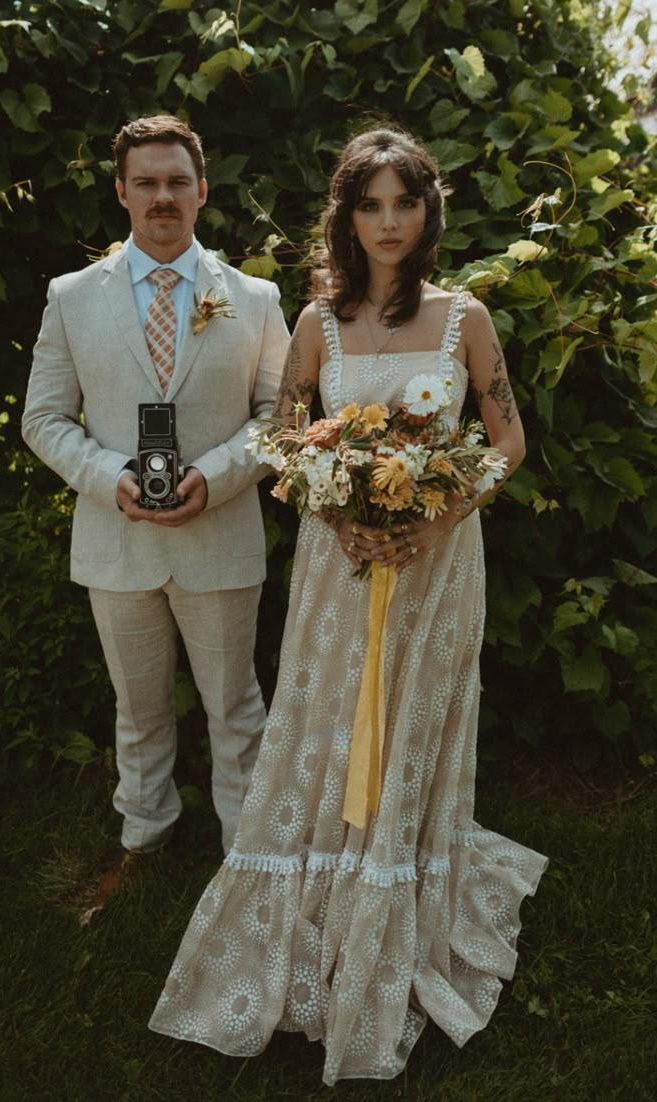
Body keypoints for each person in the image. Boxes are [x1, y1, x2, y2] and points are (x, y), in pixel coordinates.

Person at [148, 126, 547, 1085]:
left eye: (404, 203)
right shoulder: (319, 326)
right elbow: (284, 437)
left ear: (428, 211)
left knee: (409, 714)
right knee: (329, 718)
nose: (389, 223)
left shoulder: (465, 319)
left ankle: (400, 892)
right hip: (340, 561)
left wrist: (436, 517)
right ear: (347, 216)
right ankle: (318, 893)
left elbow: (506, 440)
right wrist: (339, 509)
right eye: (370, 205)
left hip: (437, 561)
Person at [22, 115, 289, 865]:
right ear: (121, 192)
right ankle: (146, 836)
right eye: (147, 182)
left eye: (177, 181)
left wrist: (220, 475)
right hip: (118, 540)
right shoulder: (72, 297)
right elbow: (42, 419)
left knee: (236, 708)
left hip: (221, 534)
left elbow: (280, 419)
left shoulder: (256, 299)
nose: (162, 195)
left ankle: (249, 855)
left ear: (202, 191)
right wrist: (112, 480)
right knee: (136, 711)